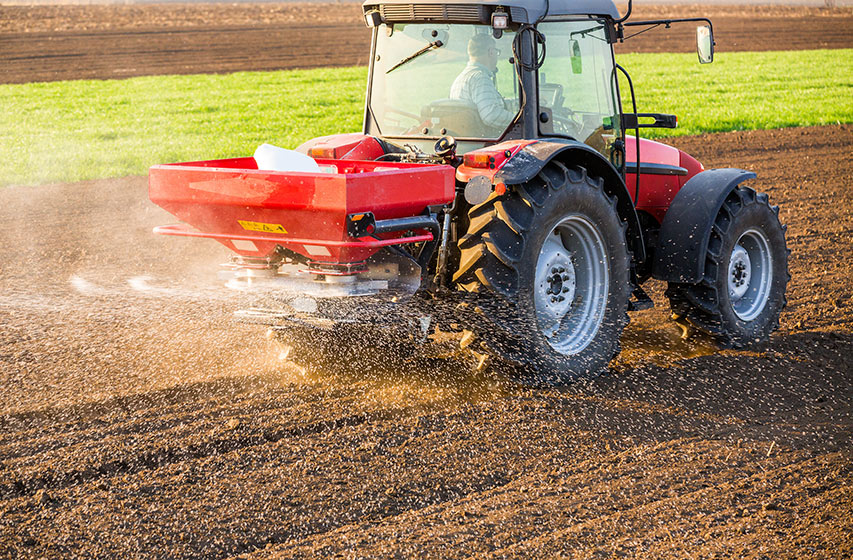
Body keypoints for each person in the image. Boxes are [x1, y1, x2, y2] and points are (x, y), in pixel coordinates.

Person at [449, 33, 515, 132]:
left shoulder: (461, 78)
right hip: (483, 140)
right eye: (496, 52)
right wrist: (520, 120)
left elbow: (486, 103)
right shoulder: (480, 78)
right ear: (491, 52)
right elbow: (491, 116)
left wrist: (516, 103)